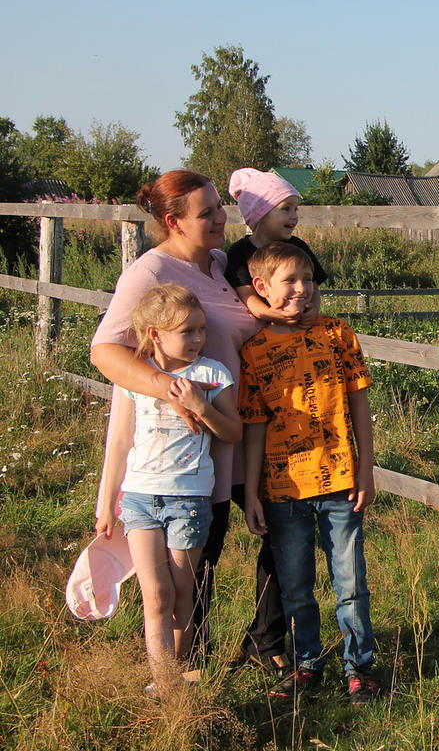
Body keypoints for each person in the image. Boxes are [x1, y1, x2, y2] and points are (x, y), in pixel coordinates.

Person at [90, 170, 291, 676]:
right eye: (206, 213)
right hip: (193, 449)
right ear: (171, 222)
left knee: (280, 539)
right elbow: (105, 352)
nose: (222, 217)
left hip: (243, 430)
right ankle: (182, 675)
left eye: (220, 206)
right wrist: (172, 392)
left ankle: (264, 645)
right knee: (195, 567)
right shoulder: (150, 272)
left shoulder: (223, 265)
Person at [238, 242, 379, 703]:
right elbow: (254, 426)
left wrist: (366, 467)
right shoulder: (253, 351)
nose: (304, 289)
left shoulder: (338, 334)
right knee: (296, 585)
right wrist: (255, 491)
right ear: (261, 288)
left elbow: (359, 401)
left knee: (350, 581)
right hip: (282, 489)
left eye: (310, 279)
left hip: (340, 482)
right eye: (291, 281)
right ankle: (307, 664)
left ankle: (359, 666)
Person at [94, 285, 242, 695]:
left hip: (190, 502)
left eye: (201, 330)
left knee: (181, 591)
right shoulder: (135, 376)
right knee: (154, 594)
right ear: (156, 334)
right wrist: (107, 502)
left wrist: (202, 407)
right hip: (139, 498)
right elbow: (120, 440)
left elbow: (233, 431)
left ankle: (185, 675)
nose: (198, 339)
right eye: (187, 331)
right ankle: (163, 685)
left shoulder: (213, 375)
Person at [226, 168, 327, 322]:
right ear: (260, 214)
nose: (294, 216)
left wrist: (313, 310)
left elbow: (313, 286)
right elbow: (247, 295)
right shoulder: (240, 252)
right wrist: (270, 314)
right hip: (261, 331)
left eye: (295, 209)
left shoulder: (298, 247)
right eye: (286, 209)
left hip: (300, 327)